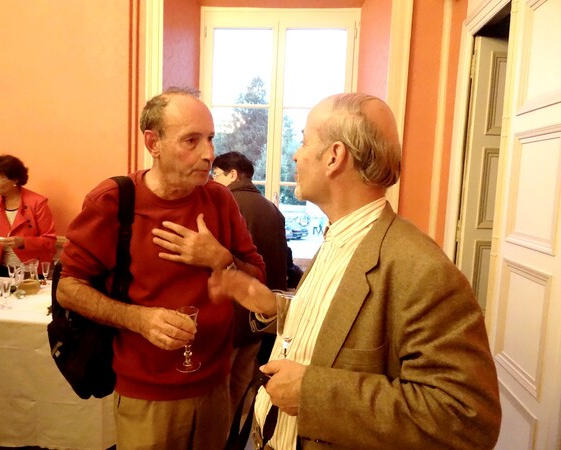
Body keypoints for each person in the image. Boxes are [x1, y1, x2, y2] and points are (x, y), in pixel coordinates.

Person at [209, 93, 502, 449]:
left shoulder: (422, 270)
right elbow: (340, 324)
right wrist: (276, 307)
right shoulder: (338, 236)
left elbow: (466, 419)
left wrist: (311, 392)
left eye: (303, 142)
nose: (295, 155)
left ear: (334, 156)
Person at [56, 87, 265, 450]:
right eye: (192, 140)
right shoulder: (114, 201)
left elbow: (261, 280)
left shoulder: (220, 199)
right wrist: (139, 319)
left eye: (211, 139)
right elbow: (68, 289)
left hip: (215, 386)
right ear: (153, 143)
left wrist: (220, 260)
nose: (209, 154)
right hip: (146, 395)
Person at [211, 151, 288, 415]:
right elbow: (282, 262)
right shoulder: (272, 209)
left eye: (216, 174)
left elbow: (218, 262)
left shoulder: (225, 204)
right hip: (260, 319)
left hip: (230, 315)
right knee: (243, 390)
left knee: (219, 394)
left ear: (232, 175)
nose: (213, 180)